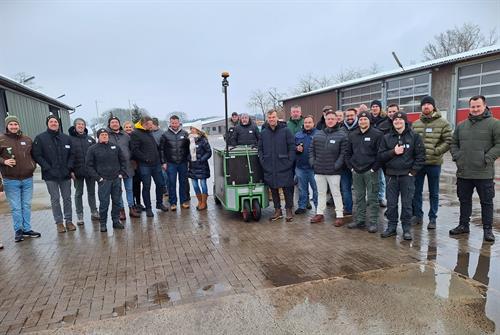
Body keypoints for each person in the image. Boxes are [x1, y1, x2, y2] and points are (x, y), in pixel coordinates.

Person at [450, 95, 500, 242]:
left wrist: (487, 158)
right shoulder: (461, 125)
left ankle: (488, 230)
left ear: (484, 106)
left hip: (484, 173)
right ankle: (463, 225)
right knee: (464, 200)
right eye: (472, 106)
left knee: (487, 202)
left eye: (478, 106)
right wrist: (458, 157)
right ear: (469, 107)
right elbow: (453, 143)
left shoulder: (494, 124)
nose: (475, 109)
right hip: (464, 172)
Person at [378, 112, 425, 240]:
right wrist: (393, 152)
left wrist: (413, 172)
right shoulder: (386, 137)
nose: (398, 122)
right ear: (392, 122)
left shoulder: (414, 137)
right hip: (391, 176)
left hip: (407, 176)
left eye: (400, 119)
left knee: (407, 204)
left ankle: (406, 229)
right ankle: (391, 227)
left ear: (405, 121)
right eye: (395, 120)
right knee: (392, 204)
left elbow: (420, 156)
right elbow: (381, 156)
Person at [411, 96, 452, 229]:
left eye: (429, 104)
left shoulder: (443, 123)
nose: (426, 106)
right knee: (416, 191)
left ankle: (432, 218)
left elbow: (448, 141)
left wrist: (437, 151)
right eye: (424, 104)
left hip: (434, 163)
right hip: (419, 164)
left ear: (433, 106)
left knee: (433, 192)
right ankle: (417, 215)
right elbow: (411, 142)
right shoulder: (416, 124)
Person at [0, 115, 41, 242]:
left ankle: (27, 229)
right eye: (11, 124)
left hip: (27, 179)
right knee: (16, 207)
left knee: (27, 205)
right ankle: (18, 230)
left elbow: (34, 155)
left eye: (15, 124)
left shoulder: (27, 139)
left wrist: (32, 165)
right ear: (7, 126)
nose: (14, 126)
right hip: (11, 179)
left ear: (19, 125)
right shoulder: (1, 140)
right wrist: (4, 161)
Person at [32, 115, 75, 233]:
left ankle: (69, 221)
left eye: (55, 121)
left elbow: (72, 154)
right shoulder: (40, 138)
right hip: (50, 175)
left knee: (67, 198)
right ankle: (59, 222)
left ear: (58, 124)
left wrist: (69, 167)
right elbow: (37, 155)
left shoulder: (66, 138)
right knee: (55, 198)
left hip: (65, 174)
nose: (53, 123)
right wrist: (47, 167)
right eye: (51, 122)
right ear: (47, 123)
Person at [345, 111, 383, 233]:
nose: (362, 121)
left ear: (369, 121)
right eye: (360, 119)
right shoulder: (353, 134)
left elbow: (380, 154)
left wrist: (374, 168)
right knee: (359, 197)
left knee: (372, 197)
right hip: (356, 171)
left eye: (365, 119)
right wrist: (351, 167)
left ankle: (373, 222)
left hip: (371, 172)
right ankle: (360, 220)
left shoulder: (377, 134)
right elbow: (347, 153)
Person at [309, 109, 347, 226]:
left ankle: (339, 215)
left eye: (332, 119)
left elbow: (343, 153)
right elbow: (311, 150)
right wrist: (313, 163)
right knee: (320, 193)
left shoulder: (342, 135)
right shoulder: (318, 134)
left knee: (336, 193)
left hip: (334, 171)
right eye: (328, 119)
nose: (330, 121)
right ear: (325, 120)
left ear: (337, 120)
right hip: (319, 169)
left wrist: (337, 165)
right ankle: (319, 213)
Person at [86, 128, 127, 232]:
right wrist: (98, 178)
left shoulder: (115, 147)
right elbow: (89, 166)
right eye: (102, 135)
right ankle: (103, 223)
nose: (104, 136)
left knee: (117, 202)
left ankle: (116, 221)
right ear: (98, 136)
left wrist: (121, 173)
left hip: (116, 179)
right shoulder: (92, 149)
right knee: (104, 203)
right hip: (103, 181)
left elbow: (123, 161)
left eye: (106, 135)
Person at [258, 110, 296, 222]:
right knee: (273, 189)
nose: (271, 119)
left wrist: (289, 161)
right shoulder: (264, 132)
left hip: (284, 165)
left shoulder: (286, 131)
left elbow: (292, 147)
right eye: (269, 117)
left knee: (287, 189)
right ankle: (277, 210)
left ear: (277, 118)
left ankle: (288, 210)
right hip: (269, 165)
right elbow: (260, 148)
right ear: (267, 119)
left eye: (273, 117)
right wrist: (263, 161)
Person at [130, 116, 168, 217]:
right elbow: (135, 150)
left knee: (160, 184)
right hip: (144, 165)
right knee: (146, 187)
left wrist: (160, 159)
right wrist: (145, 159)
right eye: (150, 125)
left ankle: (159, 204)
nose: (152, 127)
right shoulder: (135, 133)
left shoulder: (149, 132)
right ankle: (148, 208)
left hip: (156, 164)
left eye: (152, 125)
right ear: (144, 124)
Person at [108, 116, 140, 218]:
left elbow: (132, 149)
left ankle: (131, 208)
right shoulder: (107, 136)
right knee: (118, 190)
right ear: (109, 124)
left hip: (128, 167)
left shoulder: (126, 135)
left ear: (119, 123)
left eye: (116, 122)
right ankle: (121, 210)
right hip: (115, 168)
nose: (115, 124)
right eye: (112, 122)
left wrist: (134, 160)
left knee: (129, 189)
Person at [68, 118, 98, 225]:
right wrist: (70, 170)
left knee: (91, 193)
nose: (80, 126)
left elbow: (96, 156)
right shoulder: (70, 139)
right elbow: (68, 156)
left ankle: (94, 212)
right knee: (78, 193)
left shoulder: (90, 139)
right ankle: (79, 215)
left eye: (82, 124)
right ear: (75, 126)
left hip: (90, 172)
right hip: (77, 173)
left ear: (85, 126)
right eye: (78, 124)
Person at [160, 115, 190, 211]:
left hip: (183, 162)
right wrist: (163, 162)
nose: (174, 124)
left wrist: (189, 159)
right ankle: (173, 203)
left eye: (176, 122)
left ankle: (183, 201)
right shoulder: (165, 135)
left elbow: (189, 148)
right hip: (171, 163)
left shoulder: (185, 134)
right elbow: (161, 150)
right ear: (170, 123)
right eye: (172, 123)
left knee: (183, 183)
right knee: (171, 183)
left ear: (179, 122)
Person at [294, 115, 318, 214]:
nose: (307, 124)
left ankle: (318, 208)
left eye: (309, 122)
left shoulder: (318, 134)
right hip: (300, 167)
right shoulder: (298, 135)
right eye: (305, 123)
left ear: (313, 123)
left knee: (316, 189)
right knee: (302, 189)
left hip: (314, 168)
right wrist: (296, 149)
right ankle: (302, 206)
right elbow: (293, 148)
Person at [187, 121, 212, 210]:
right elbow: (187, 152)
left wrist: (201, 159)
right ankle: (200, 201)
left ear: (197, 130)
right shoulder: (188, 140)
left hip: (202, 166)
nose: (191, 130)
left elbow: (209, 152)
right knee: (195, 185)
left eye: (193, 128)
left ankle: (204, 203)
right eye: (191, 128)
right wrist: (188, 158)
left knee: (203, 184)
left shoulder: (203, 140)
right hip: (192, 166)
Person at [370, 99, 388, 208]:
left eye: (376, 106)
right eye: (373, 106)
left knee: (381, 178)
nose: (374, 108)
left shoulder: (385, 120)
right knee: (370, 178)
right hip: (370, 153)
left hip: (381, 152)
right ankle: (372, 197)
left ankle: (381, 198)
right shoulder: (368, 119)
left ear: (380, 108)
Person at [124, 121, 144, 212]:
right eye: (126, 127)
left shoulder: (136, 136)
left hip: (137, 164)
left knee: (137, 184)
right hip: (128, 165)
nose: (128, 129)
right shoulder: (123, 138)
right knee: (130, 186)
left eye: (130, 127)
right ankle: (133, 204)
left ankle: (139, 203)